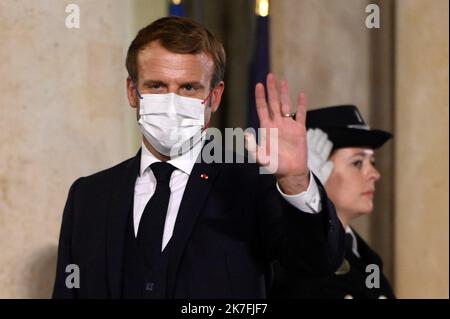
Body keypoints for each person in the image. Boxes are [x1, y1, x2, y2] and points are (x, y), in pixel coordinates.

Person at [52, 17, 344, 299]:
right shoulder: (88, 197)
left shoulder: (252, 184)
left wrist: (294, 180)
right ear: (132, 92)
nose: (171, 102)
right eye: (156, 86)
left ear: (215, 97)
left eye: (188, 88)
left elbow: (316, 263)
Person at [269, 105, 396, 299]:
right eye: (357, 163)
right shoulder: (283, 255)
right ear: (316, 169)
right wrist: (303, 184)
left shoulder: (367, 257)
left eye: (373, 162)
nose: (375, 175)